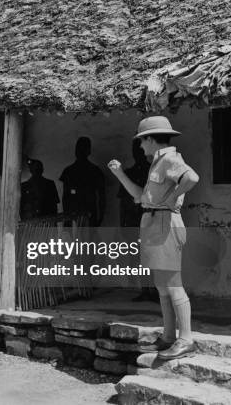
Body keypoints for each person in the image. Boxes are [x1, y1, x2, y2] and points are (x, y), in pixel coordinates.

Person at [108, 116, 199, 360]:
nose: (140, 146)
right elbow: (140, 197)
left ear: (150, 138)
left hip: (166, 224)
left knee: (173, 284)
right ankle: (169, 336)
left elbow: (191, 178)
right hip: (154, 223)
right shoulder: (157, 162)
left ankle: (185, 338)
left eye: (141, 140)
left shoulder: (170, 158)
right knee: (162, 286)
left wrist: (173, 197)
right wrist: (119, 174)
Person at [117, 140, 158, 302]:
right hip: (133, 219)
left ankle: (155, 289)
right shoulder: (128, 173)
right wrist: (123, 223)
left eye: (139, 149)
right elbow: (122, 201)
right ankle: (145, 289)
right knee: (139, 258)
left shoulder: (153, 171)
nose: (138, 153)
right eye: (135, 150)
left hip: (151, 218)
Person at [60, 137, 106, 227]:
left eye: (82, 148)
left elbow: (102, 198)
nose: (79, 151)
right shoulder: (69, 171)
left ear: (88, 151)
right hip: (73, 215)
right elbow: (65, 197)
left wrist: (100, 217)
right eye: (78, 148)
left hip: (87, 215)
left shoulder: (94, 171)